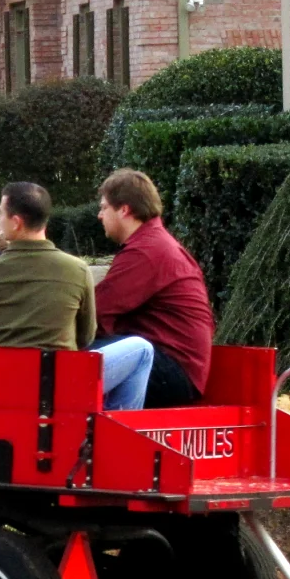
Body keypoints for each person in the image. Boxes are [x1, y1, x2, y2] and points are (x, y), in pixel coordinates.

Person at [0, 181, 153, 410]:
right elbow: (86, 336)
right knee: (142, 349)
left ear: (16, 222)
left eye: (0, 214)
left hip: (8, 385)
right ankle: (113, 429)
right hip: (62, 386)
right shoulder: (77, 269)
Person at [93, 168, 215, 408]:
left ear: (124, 210)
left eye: (104, 207)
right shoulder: (155, 244)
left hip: (171, 369)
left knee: (62, 360)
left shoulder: (146, 252)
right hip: (179, 367)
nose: (99, 215)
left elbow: (96, 312)